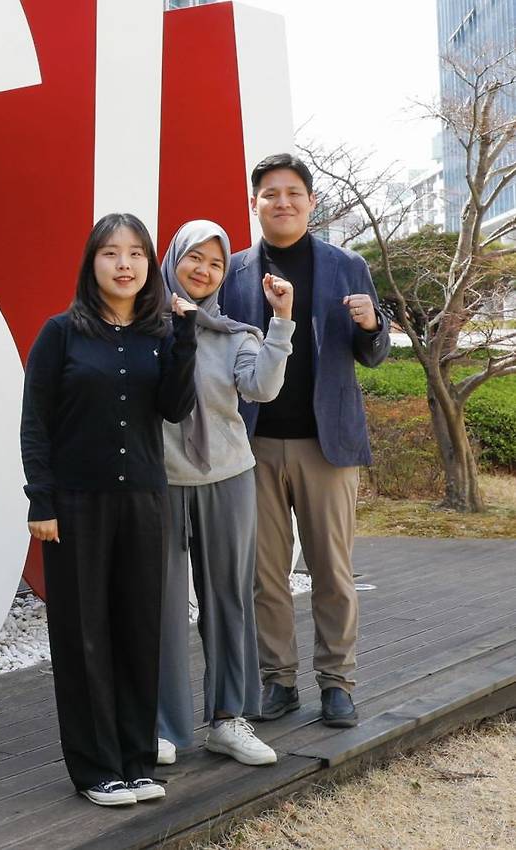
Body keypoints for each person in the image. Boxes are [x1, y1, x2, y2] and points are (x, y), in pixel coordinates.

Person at [21, 213, 197, 807]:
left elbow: (175, 408)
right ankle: (96, 769)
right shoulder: (60, 334)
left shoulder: (161, 334)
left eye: (136, 254)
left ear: (149, 265)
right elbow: (35, 423)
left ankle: (136, 761)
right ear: (91, 263)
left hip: (143, 501)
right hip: (75, 506)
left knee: (138, 631)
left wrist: (186, 337)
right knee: (83, 637)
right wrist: (41, 499)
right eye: (111, 253)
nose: (124, 264)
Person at [220, 154, 391, 728]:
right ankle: (279, 680)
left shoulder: (346, 266)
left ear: (311, 202)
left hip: (327, 444)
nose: (283, 202)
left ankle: (338, 682)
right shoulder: (235, 273)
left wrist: (372, 324)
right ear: (254, 203)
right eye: (270, 193)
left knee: (331, 570)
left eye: (294, 192)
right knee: (264, 574)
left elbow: (373, 355)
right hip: (254, 445)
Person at [157, 220, 294, 767]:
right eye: (194, 257)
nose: (204, 270)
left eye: (215, 263)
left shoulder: (237, 334)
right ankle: (162, 724)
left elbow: (262, 387)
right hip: (161, 481)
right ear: (173, 259)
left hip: (228, 477)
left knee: (228, 599)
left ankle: (228, 718)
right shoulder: (143, 328)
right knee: (162, 604)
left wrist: (280, 321)